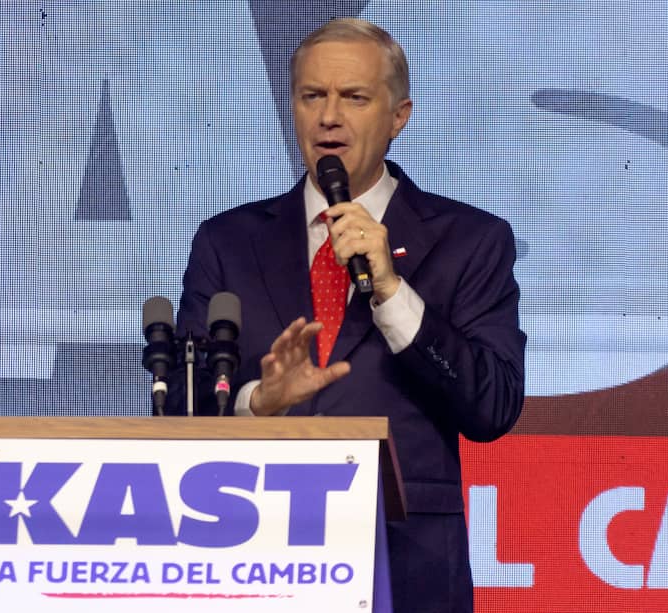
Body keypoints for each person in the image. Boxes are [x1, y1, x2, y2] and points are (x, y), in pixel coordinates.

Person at [170, 18, 526, 613]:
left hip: (405, 564)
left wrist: (390, 291)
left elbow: (492, 407)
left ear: (398, 116)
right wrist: (261, 401)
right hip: (248, 561)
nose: (328, 116)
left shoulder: (471, 240)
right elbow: (181, 407)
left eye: (354, 97)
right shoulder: (227, 242)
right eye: (312, 96)